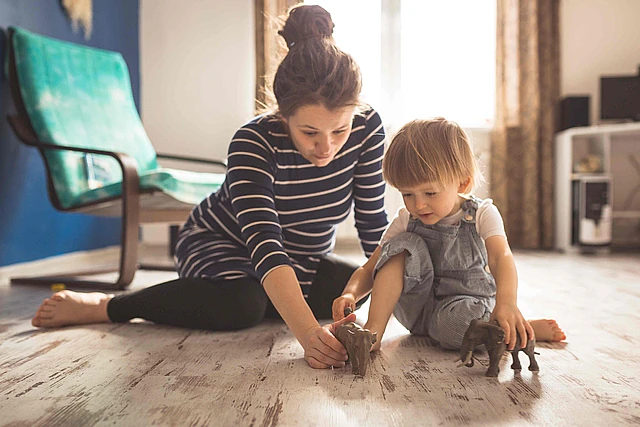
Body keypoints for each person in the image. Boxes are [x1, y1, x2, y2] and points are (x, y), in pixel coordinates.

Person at [31, 5, 389, 370]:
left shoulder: (369, 128)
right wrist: (309, 336)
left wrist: (399, 305)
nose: (326, 147)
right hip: (220, 243)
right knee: (242, 304)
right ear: (283, 115)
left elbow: (374, 223)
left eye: (339, 131)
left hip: (300, 259)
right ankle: (107, 306)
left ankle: (266, 300)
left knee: (353, 287)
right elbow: (264, 245)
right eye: (310, 132)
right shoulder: (254, 141)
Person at [332, 117, 565, 352]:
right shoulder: (405, 218)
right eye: (407, 194)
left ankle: (508, 327)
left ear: (463, 183)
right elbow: (371, 268)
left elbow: (500, 256)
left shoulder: (483, 213)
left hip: (464, 308)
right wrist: (350, 293)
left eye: (430, 192)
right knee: (402, 245)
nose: (418, 205)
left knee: (459, 327)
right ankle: (372, 334)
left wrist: (506, 302)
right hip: (417, 308)